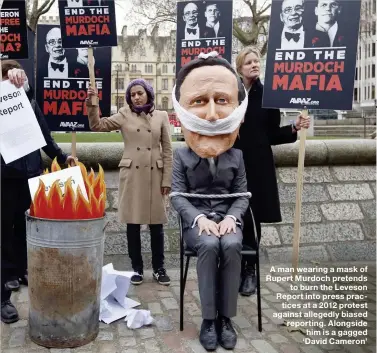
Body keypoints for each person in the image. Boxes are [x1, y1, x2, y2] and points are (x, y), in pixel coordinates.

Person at [170, 52, 249, 351]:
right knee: (207, 244)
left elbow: (242, 194)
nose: (213, 115)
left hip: (228, 219)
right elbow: (177, 195)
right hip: (198, 220)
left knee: (230, 244)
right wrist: (199, 220)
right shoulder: (180, 156)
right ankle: (207, 320)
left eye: (222, 100)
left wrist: (232, 219)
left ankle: (225, 318)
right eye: (200, 102)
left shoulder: (237, 156)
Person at [1, 60, 76, 323]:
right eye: (8, 77)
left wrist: (62, 155)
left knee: (26, 230)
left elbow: (44, 134)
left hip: (30, 176)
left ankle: (21, 271)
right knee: (3, 235)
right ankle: (3, 299)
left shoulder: (28, 101)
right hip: (3, 179)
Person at [234, 47, 310, 296]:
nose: (255, 65)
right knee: (233, 218)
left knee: (253, 221)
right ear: (239, 67)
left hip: (258, 166)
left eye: (257, 61)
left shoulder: (269, 95)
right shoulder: (229, 94)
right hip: (231, 165)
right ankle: (232, 269)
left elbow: (272, 134)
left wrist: (294, 128)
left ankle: (249, 271)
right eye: (249, 62)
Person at [86, 79, 173, 286]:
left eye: (139, 93)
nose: (136, 97)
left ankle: (159, 268)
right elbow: (97, 125)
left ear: (148, 94)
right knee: (133, 225)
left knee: (156, 225)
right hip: (133, 175)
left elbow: (168, 150)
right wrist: (93, 101)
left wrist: (167, 178)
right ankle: (137, 269)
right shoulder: (124, 114)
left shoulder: (161, 116)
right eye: (132, 94)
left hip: (155, 175)